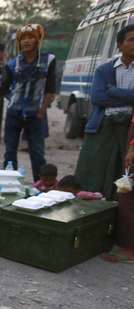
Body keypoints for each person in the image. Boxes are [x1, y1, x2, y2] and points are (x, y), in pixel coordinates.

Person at [75, 24, 134, 200]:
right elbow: (98, 98)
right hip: (103, 127)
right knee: (95, 172)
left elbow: (106, 95)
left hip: (129, 129)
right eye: (131, 40)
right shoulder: (104, 70)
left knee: (123, 173)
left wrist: (114, 91)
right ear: (119, 44)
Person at [0, 24, 57, 182]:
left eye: (30, 37)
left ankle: (41, 184)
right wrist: (13, 101)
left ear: (38, 40)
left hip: (36, 114)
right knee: (10, 151)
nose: (26, 41)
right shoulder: (12, 64)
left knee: (37, 152)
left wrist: (42, 110)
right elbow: (3, 88)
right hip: (14, 113)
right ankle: (9, 182)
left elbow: (51, 89)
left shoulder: (49, 60)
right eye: (23, 38)